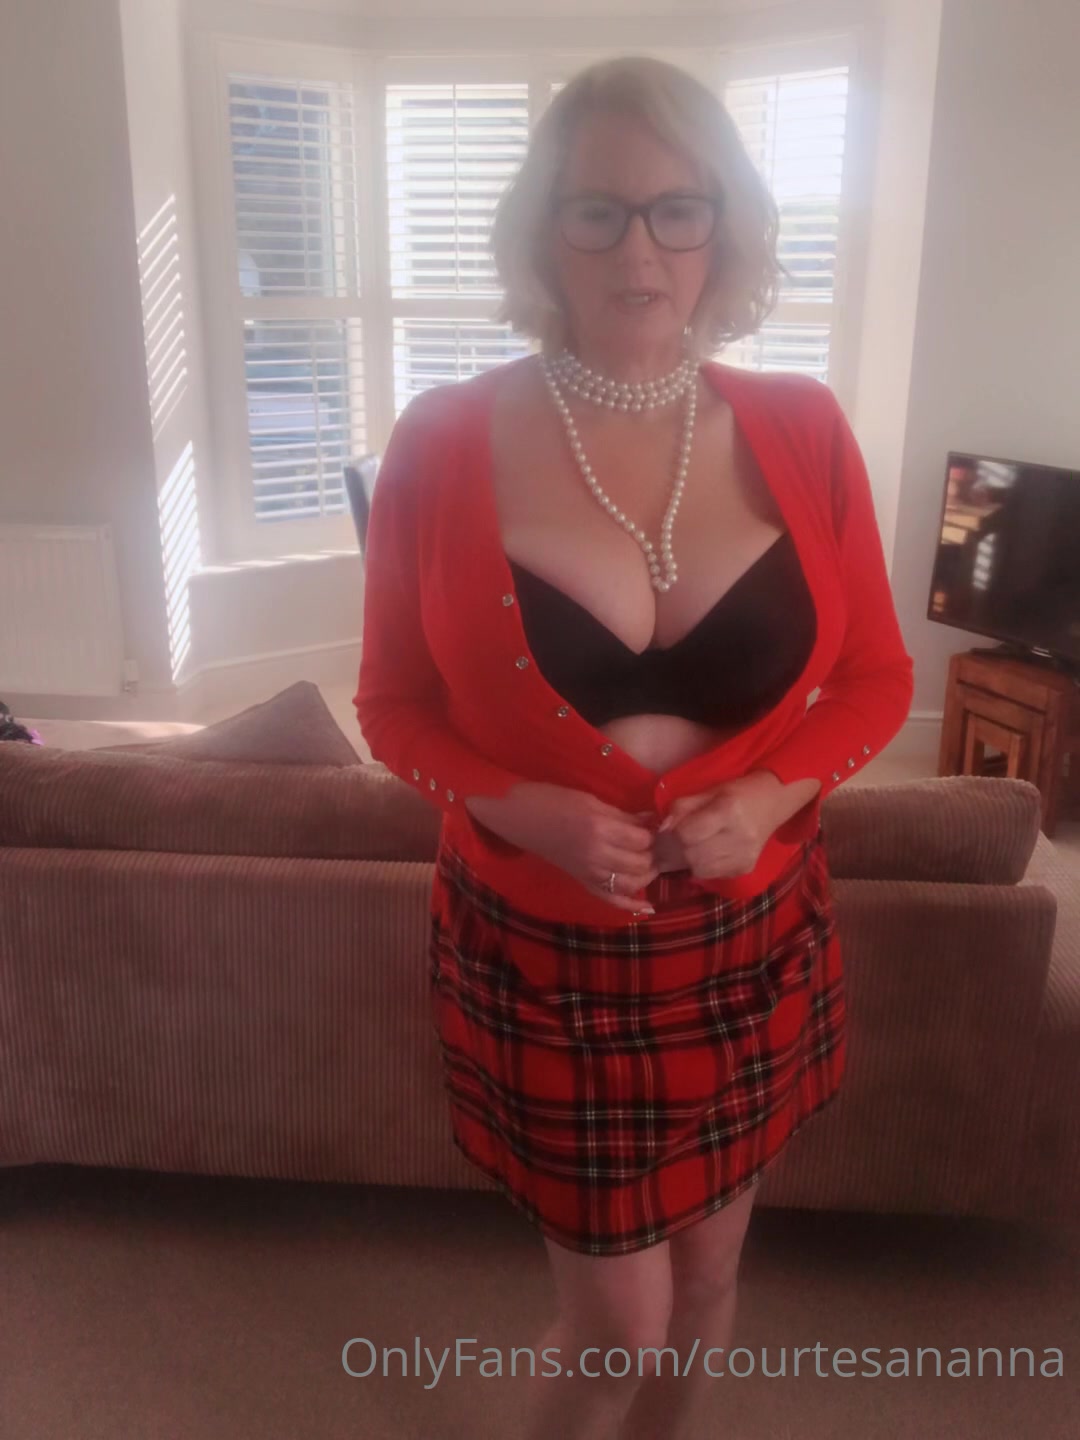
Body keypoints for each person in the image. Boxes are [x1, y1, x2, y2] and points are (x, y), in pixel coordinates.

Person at [354, 55, 913, 1440]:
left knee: (712, 1277)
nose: (640, 249)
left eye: (679, 208)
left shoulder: (803, 428)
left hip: (750, 938)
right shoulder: (441, 439)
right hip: (544, 957)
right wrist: (518, 807)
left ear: (725, 229)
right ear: (545, 228)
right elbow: (391, 708)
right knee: (616, 1326)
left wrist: (772, 794)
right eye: (596, 210)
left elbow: (878, 678)